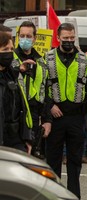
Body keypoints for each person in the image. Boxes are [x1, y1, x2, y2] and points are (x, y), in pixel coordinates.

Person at [41, 23, 87, 200]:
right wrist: (50, 105)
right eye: (65, 38)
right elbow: (41, 86)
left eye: (71, 38)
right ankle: (54, 199)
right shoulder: (47, 58)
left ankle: (74, 199)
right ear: (58, 38)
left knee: (75, 160)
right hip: (55, 117)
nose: (68, 41)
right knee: (53, 160)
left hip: (76, 117)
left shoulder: (84, 60)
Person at [14, 21, 47, 158]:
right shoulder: (10, 58)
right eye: (22, 36)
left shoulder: (41, 62)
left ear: (35, 38)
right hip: (14, 115)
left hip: (33, 115)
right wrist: (18, 69)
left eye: (28, 36)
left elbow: (45, 91)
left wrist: (47, 120)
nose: (25, 39)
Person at [0, 31, 33, 152]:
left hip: (14, 140)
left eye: (11, 49)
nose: (9, 52)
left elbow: (22, 109)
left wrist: (26, 138)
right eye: (5, 49)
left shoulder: (12, 76)